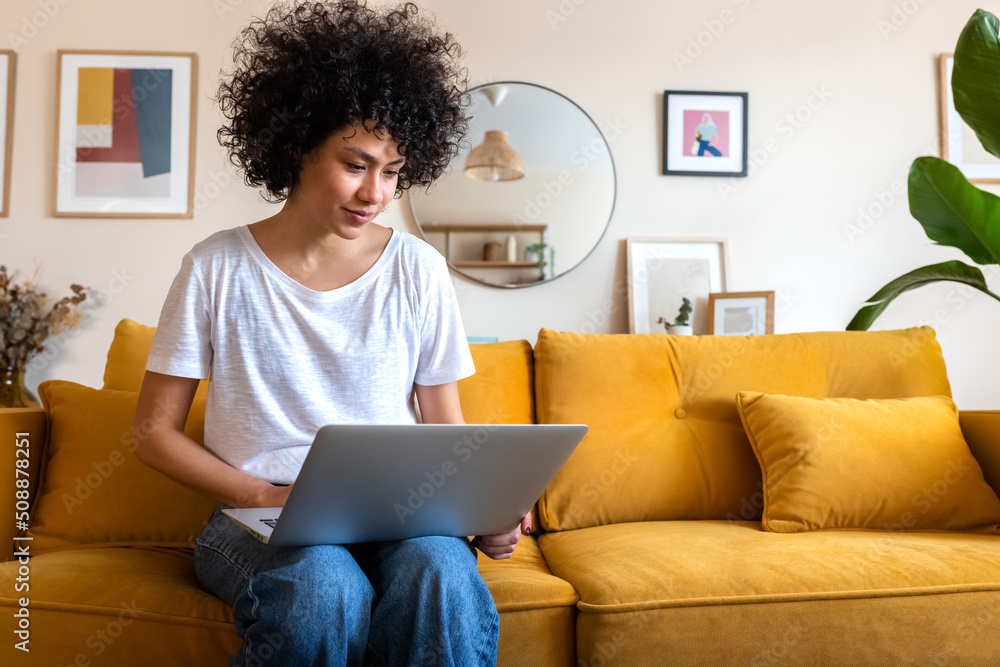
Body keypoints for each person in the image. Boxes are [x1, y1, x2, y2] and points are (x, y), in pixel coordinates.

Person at [131, 2, 526, 665]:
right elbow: (151, 432)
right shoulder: (215, 267)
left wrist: (482, 510)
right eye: (356, 162)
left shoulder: (419, 270)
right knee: (322, 586)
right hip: (258, 522)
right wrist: (259, 493)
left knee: (444, 573)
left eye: (394, 171)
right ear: (296, 143)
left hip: (401, 516)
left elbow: (444, 427)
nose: (376, 191)